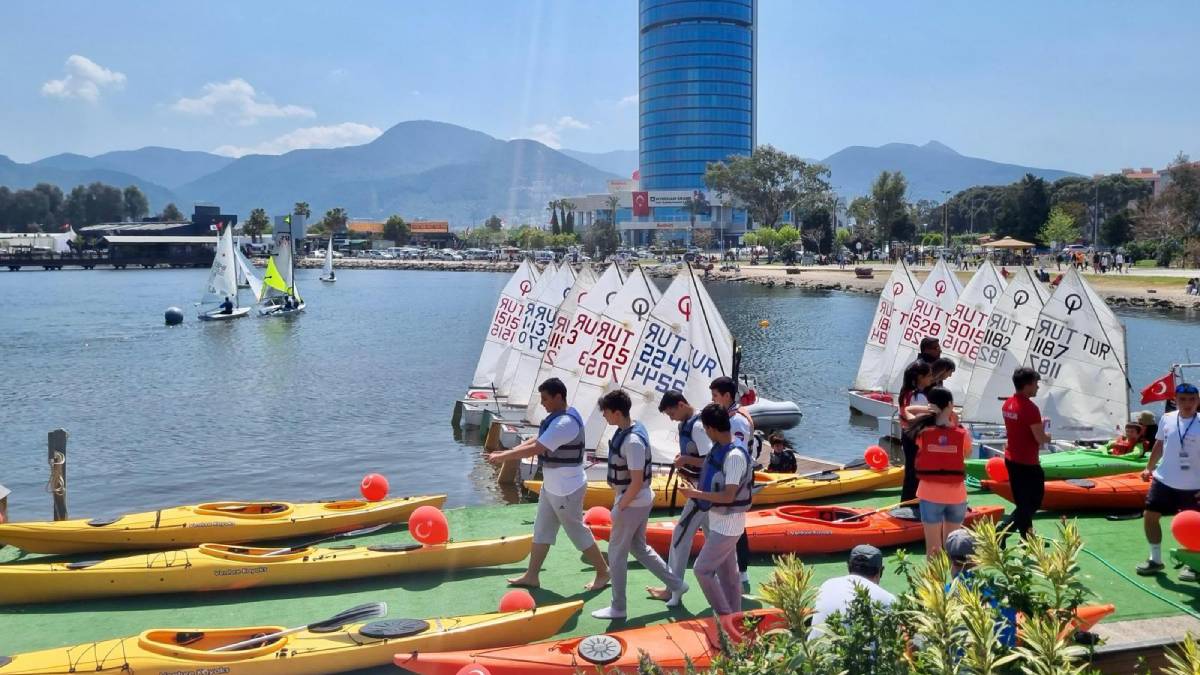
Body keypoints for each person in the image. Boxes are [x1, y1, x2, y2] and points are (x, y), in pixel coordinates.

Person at [486, 378, 610, 591]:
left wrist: (505, 456)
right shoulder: (557, 418)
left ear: (558, 397)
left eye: (545, 398)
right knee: (542, 528)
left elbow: (538, 448)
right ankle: (532, 575)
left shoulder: (565, 423)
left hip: (566, 489)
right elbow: (537, 439)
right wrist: (504, 453)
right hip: (552, 486)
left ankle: (603, 571)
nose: (542, 403)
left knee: (576, 531)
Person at [592, 390, 684, 619]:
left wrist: (620, 506)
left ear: (616, 412)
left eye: (605, 412)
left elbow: (635, 482)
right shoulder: (632, 428)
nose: (604, 416)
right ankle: (677, 584)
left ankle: (618, 608)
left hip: (632, 502)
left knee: (616, 554)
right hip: (639, 500)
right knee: (639, 548)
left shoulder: (632, 441)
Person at [677, 403, 754, 627]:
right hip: (719, 520)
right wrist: (687, 460)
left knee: (702, 569)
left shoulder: (735, 456)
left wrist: (694, 493)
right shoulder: (720, 447)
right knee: (729, 575)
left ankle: (723, 617)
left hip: (728, 524)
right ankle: (735, 619)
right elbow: (709, 463)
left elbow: (729, 496)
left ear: (711, 429)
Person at [646, 390, 711, 605]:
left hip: (702, 494)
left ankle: (673, 589)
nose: (671, 417)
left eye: (671, 412)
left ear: (682, 404)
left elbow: (710, 460)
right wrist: (685, 460)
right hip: (703, 492)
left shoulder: (699, 427)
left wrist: (685, 459)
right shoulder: (686, 423)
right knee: (715, 539)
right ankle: (736, 581)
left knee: (679, 538)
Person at [1137, 383, 1200, 578]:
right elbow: (1160, 444)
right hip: (1164, 480)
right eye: (1182, 400)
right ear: (1175, 401)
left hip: (1194, 486)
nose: (1187, 404)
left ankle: (1195, 565)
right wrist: (1149, 467)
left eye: (1192, 400)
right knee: (1150, 516)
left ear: (1198, 401)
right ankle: (1155, 560)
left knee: (1194, 527)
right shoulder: (1167, 418)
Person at [908, 387, 972, 558]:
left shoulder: (922, 432)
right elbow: (966, 453)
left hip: (930, 495)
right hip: (956, 496)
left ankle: (933, 583)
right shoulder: (962, 434)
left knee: (933, 550)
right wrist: (954, 418)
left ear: (931, 406)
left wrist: (929, 409)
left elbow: (908, 410)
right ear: (950, 405)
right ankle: (954, 582)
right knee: (954, 549)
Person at [710, 376, 754, 584]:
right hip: (729, 474)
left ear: (727, 396)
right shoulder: (729, 414)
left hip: (736, 475)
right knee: (730, 523)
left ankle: (742, 571)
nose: (713, 400)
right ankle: (733, 570)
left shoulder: (736, 420)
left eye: (715, 396)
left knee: (736, 523)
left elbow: (738, 450)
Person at [999, 367, 1050, 541]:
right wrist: (1049, 436)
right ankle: (1002, 531)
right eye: (1036, 383)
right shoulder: (1030, 408)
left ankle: (1027, 538)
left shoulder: (1007, 403)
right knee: (1033, 502)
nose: (1037, 387)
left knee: (1023, 503)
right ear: (1027, 385)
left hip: (1012, 458)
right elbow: (1039, 438)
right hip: (1027, 462)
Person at [944, 530, 1017, 647]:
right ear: (978, 557)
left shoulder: (945, 593)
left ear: (949, 558)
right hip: (1005, 657)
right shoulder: (1002, 589)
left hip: (963, 662)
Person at [810, 544, 896, 638]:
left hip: (815, 651)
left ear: (848, 566)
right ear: (881, 570)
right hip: (855, 651)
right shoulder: (887, 599)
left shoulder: (827, 584)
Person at [898, 361, 934, 502]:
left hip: (907, 435)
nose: (931, 378)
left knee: (911, 472)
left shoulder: (906, 392)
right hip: (915, 436)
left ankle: (907, 502)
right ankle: (911, 504)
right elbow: (919, 419)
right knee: (915, 473)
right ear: (920, 377)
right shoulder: (917, 396)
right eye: (929, 375)